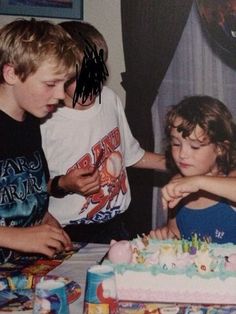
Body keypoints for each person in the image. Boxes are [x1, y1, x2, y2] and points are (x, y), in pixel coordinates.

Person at [40, 20, 166, 243]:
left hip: (116, 226)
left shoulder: (109, 99)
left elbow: (133, 155)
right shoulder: (44, 118)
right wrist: (65, 184)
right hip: (67, 232)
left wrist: (181, 165)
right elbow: (31, 189)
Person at [0, 18, 80, 264]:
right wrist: (15, 237)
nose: (60, 95)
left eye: (64, 84)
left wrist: (46, 222)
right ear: (11, 73)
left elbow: (28, 193)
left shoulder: (30, 122)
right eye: (50, 84)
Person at [149, 95, 236, 244]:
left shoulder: (230, 179)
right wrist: (167, 237)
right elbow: (176, 234)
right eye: (176, 144)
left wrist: (198, 182)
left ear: (221, 148)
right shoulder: (177, 185)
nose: (182, 154)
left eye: (195, 146)